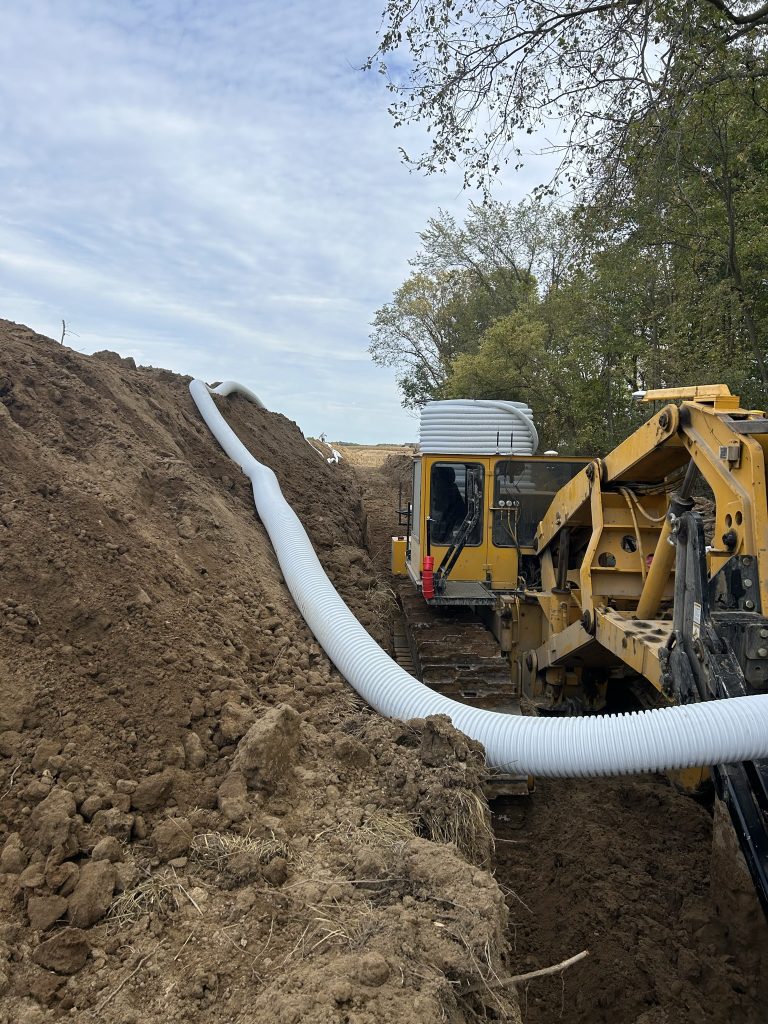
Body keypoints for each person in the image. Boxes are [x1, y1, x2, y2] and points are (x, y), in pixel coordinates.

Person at [430, 466, 466, 543]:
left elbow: (441, 512)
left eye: (436, 477)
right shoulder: (438, 490)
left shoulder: (447, 492)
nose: (433, 480)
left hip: (447, 532)